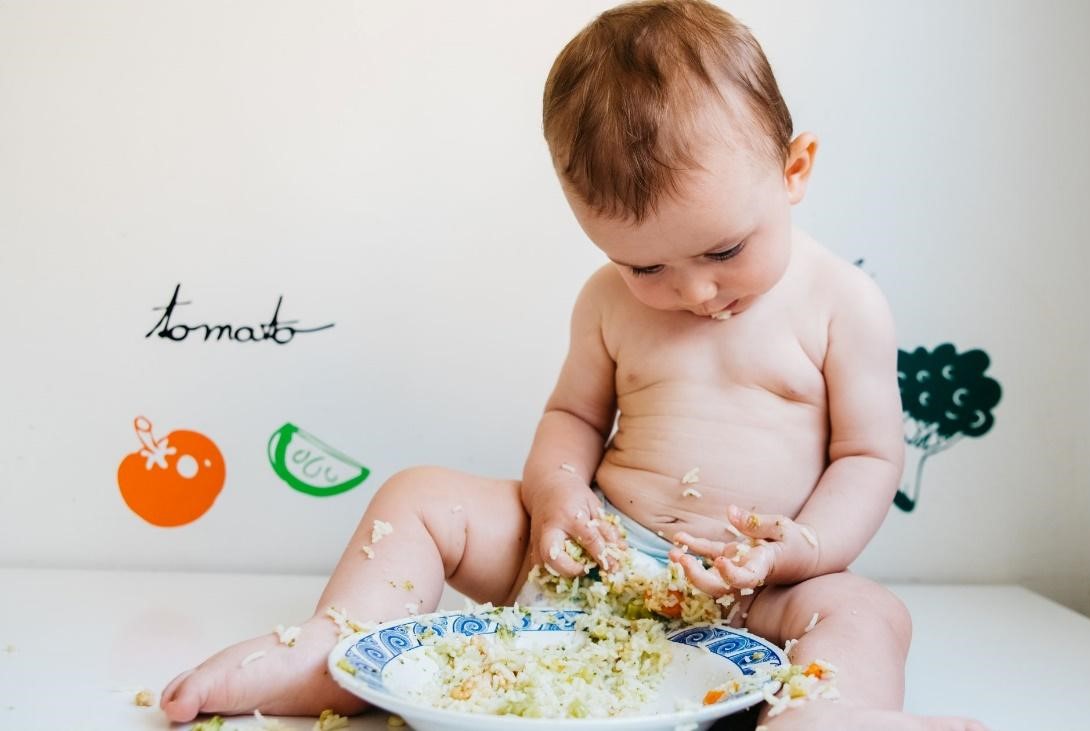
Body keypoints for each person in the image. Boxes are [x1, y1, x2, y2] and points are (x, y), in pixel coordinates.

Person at [162, 2, 984, 729]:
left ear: (793, 169)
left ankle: (827, 714)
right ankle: (337, 645)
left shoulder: (842, 302)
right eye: (646, 266)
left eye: (724, 249)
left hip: (749, 590)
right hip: (591, 563)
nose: (695, 291)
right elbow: (575, 420)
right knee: (418, 496)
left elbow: (868, 458)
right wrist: (557, 500)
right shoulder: (607, 302)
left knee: (866, 610)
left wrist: (796, 550)